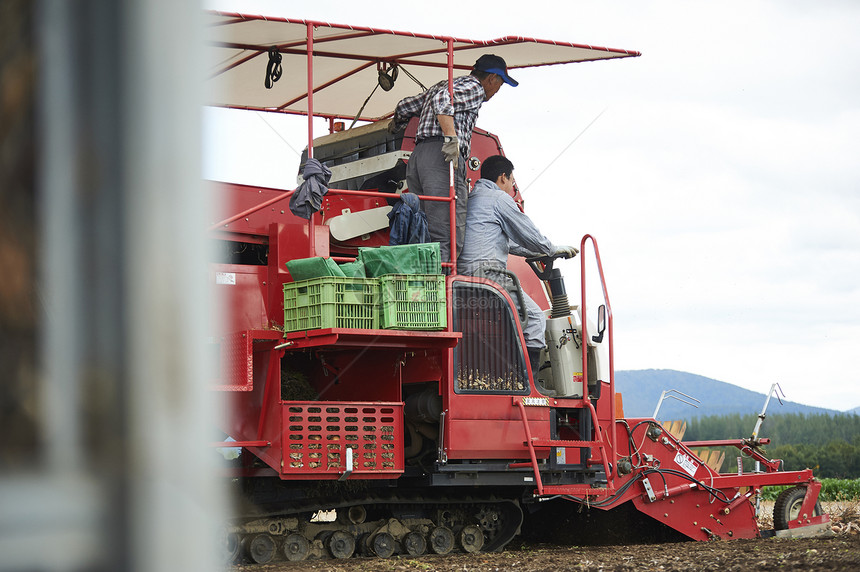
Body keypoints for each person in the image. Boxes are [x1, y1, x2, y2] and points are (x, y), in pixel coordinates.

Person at [389, 54, 518, 265]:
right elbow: (443, 100)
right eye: (500, 85)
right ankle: (443, 289)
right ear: (492, 79)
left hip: (419, 157)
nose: (496, 92)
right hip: (441, 158)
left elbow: (405, 106)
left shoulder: (445, 84)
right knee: (447, 231)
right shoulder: (475, 87)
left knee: (423, 226)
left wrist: (398, 122)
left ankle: (425, 281)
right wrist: (451, 137)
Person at [458, 154, 578, 376]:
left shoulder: (474, 198)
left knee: (515, 318)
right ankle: (529, 384)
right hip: (487, 275)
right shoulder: (498, 199)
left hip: (465, 275)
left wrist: (546, 251)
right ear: (503, 177)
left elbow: (512, 243)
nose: (512, 187)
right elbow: (528, 233)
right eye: (512, 181)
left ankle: (510, 374)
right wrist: (551, 248)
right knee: (534, 318)